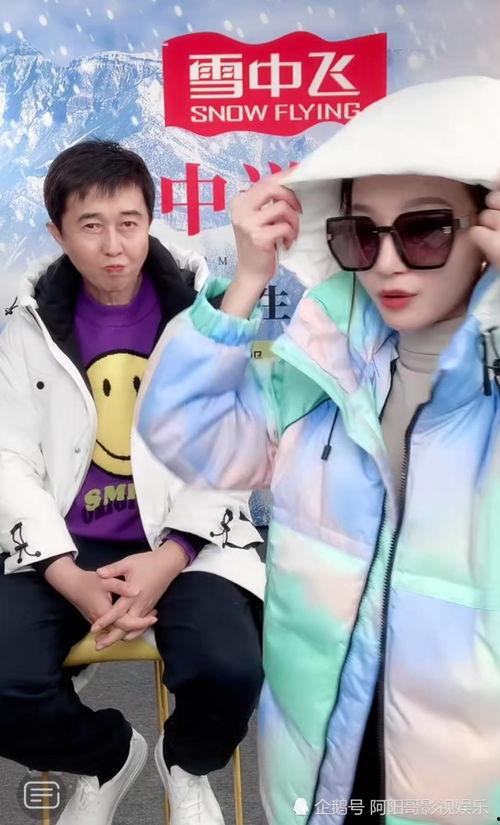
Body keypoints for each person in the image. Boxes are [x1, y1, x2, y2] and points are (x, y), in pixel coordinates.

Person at [137, 75, 500, 825]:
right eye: (361, 233)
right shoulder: (319, 371)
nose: (387, 262)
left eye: (426, 230)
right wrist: (247, 282)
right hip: (319, 771)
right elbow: (182, 433)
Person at [0, 140, 265, 825]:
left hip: (184, 537)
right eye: (91, 226)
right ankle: (108, 757)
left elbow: (230, 445)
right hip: (61, 544)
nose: (114, 245)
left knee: (229, 669)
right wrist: (66, 574)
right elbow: (9, 457)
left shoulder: (203, 315)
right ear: (58, 232)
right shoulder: (23, 324)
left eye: (129, 222)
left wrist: (171, 556)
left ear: (150, 220)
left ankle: (187, 765)